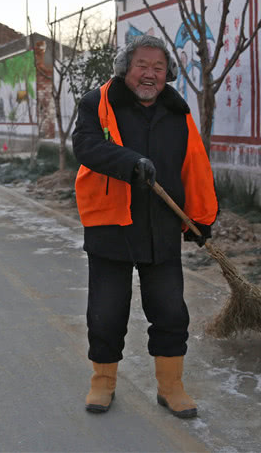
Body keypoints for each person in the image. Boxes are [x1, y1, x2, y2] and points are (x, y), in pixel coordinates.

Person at [72, 34, 219, 418]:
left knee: (170, 311)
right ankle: (102, 382)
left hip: (161, 227)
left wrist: (202, 218)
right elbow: (85, 145)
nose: (150, 74)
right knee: (106, 312)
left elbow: (195, 165)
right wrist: (130, 162)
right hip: (111, 225)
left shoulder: (178, 111)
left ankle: (171, 387)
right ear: (126, 69)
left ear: (167, 73)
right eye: (142, 66)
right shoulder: (98, 103)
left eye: (158, 68)